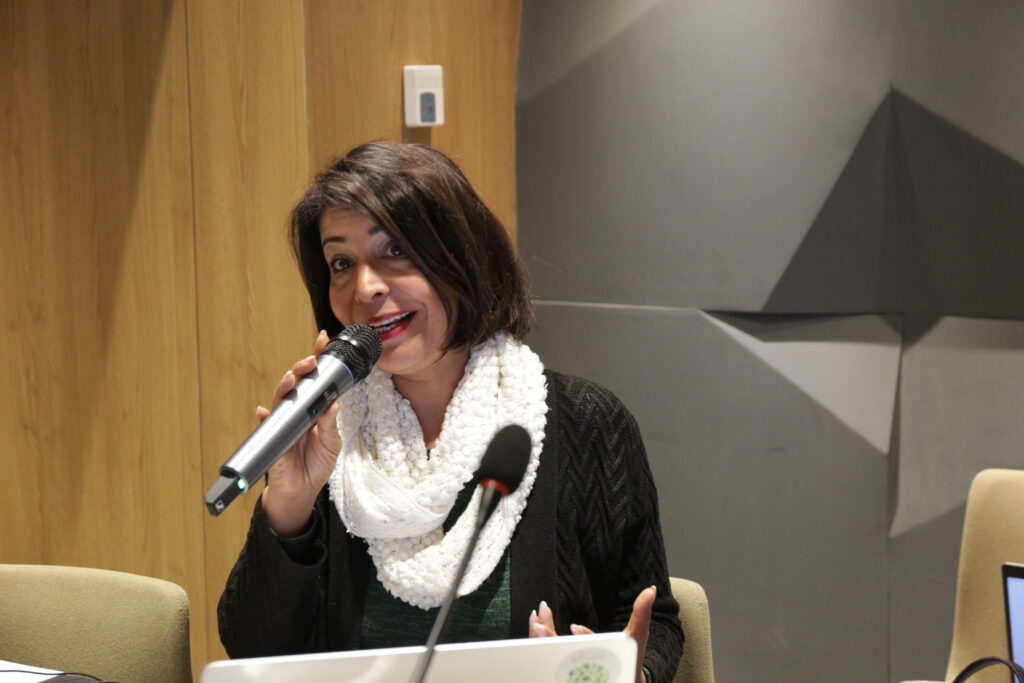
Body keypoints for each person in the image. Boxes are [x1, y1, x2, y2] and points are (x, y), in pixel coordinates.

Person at [218, 142, 684, 682]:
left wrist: (625, 673)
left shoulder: (586, 423)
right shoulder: (326, 433)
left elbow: (655, 623)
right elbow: (252, 652)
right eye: (341, 263)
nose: (364, 287)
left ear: (463, 258)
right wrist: (290, 504)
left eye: (395, 250)